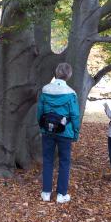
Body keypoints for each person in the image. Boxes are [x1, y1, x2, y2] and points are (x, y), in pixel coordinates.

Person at [37, 63, 80, 203]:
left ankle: (46, 193)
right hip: (65, 132)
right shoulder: (71, 93)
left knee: (48, 160)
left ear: (56, 73)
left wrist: (42, 126)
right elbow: (74, 115)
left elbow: (40, 111)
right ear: (69, 75)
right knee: (64, 162)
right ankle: (61, 195)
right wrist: (75, 132)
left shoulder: (45, 90)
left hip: (47, 130)